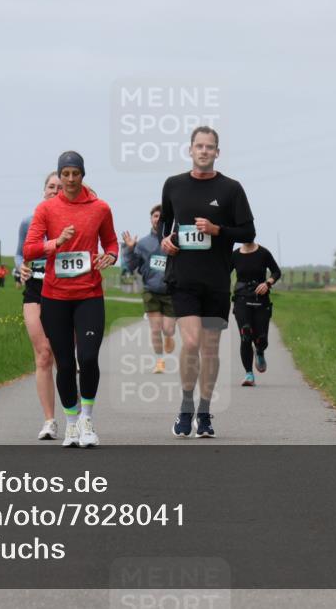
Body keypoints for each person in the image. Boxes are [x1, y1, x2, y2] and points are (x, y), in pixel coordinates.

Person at [160, 126, 255, 438]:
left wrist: (218, 231)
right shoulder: (173, 185)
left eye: (209, 147)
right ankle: (186, 407)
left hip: (215, 280)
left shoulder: (231, 189)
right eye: (198, 146)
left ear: (217, 152)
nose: (203, 151)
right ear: (190, 150)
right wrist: (166, 242)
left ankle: (204, 410)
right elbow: (165, 225)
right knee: (190, 342)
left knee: (211, 349)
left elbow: (248, 233)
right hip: (183, 279)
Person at [23, 151, 119, 448]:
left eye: (75, 173)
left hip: (89, 293)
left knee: (87, 358)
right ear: (59, 176)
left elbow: (111, 241)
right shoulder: (46, 209)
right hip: (55, 296)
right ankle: (72, 422)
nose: (70, 179)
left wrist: (111, 255)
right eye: (65, 174)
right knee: (64, 363)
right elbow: (29, 250)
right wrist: (56, 243)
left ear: (82, 175)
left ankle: (88, 418)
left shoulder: (100, 208)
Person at [16, 171, 62, 440]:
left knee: (63, 355)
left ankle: (77, 415)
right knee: (43, 354)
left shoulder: (71, 220)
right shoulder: (29, 221)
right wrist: (19, 267)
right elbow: (20, 253)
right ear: (43, 190)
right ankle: (49, 420)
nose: (54, 190)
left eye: (59, 187)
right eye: (50, 186)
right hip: (35, 288)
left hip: (64, 290)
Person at [122, 204, 176, 374]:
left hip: (171, 292)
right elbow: (131, 267)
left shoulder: (174, 241)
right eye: (155, 216)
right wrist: (130, 249)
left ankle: (168, 337)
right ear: (151, 219)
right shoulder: (143, 243)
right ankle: (159, 361)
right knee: (155, 328)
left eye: (161, 216)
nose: (158, 219)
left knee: (168, 328)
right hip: (150, 291)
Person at [231, 242, 281, 386]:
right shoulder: (235, 255)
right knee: (245, 334)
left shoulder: (263, 253)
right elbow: (222, 272)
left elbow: (276, 271)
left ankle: (259, 350)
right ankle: (249, 374)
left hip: (261, 300)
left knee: (261, 338)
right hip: (241, 299)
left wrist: (267, 284)